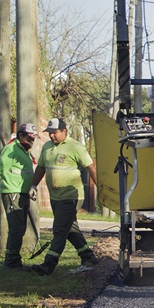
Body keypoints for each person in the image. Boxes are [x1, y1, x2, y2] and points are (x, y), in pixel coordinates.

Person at [30, 118, 99, 275]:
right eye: (49, 134)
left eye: (54, 133)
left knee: (60, 230)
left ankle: (49, 264)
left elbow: (91, 168)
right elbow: (41, 168)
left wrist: (101, 188)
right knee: (70, 228)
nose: (52, 136)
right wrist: (33, 185)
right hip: (55, 197)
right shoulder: (47, 147)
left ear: (63, 131)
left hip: (71, 196)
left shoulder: (75, 146)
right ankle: (88, 256)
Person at [0, 123, 39, 271]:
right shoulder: (11, 149)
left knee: (20, 228)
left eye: (33, 138)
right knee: (16, 228)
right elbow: (0, 166)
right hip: (13, 192)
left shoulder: (25, 152)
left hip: (23, 193)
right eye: (29, 137)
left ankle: (14, 260)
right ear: (21, 135)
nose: (32, 141)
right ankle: (11, 262)